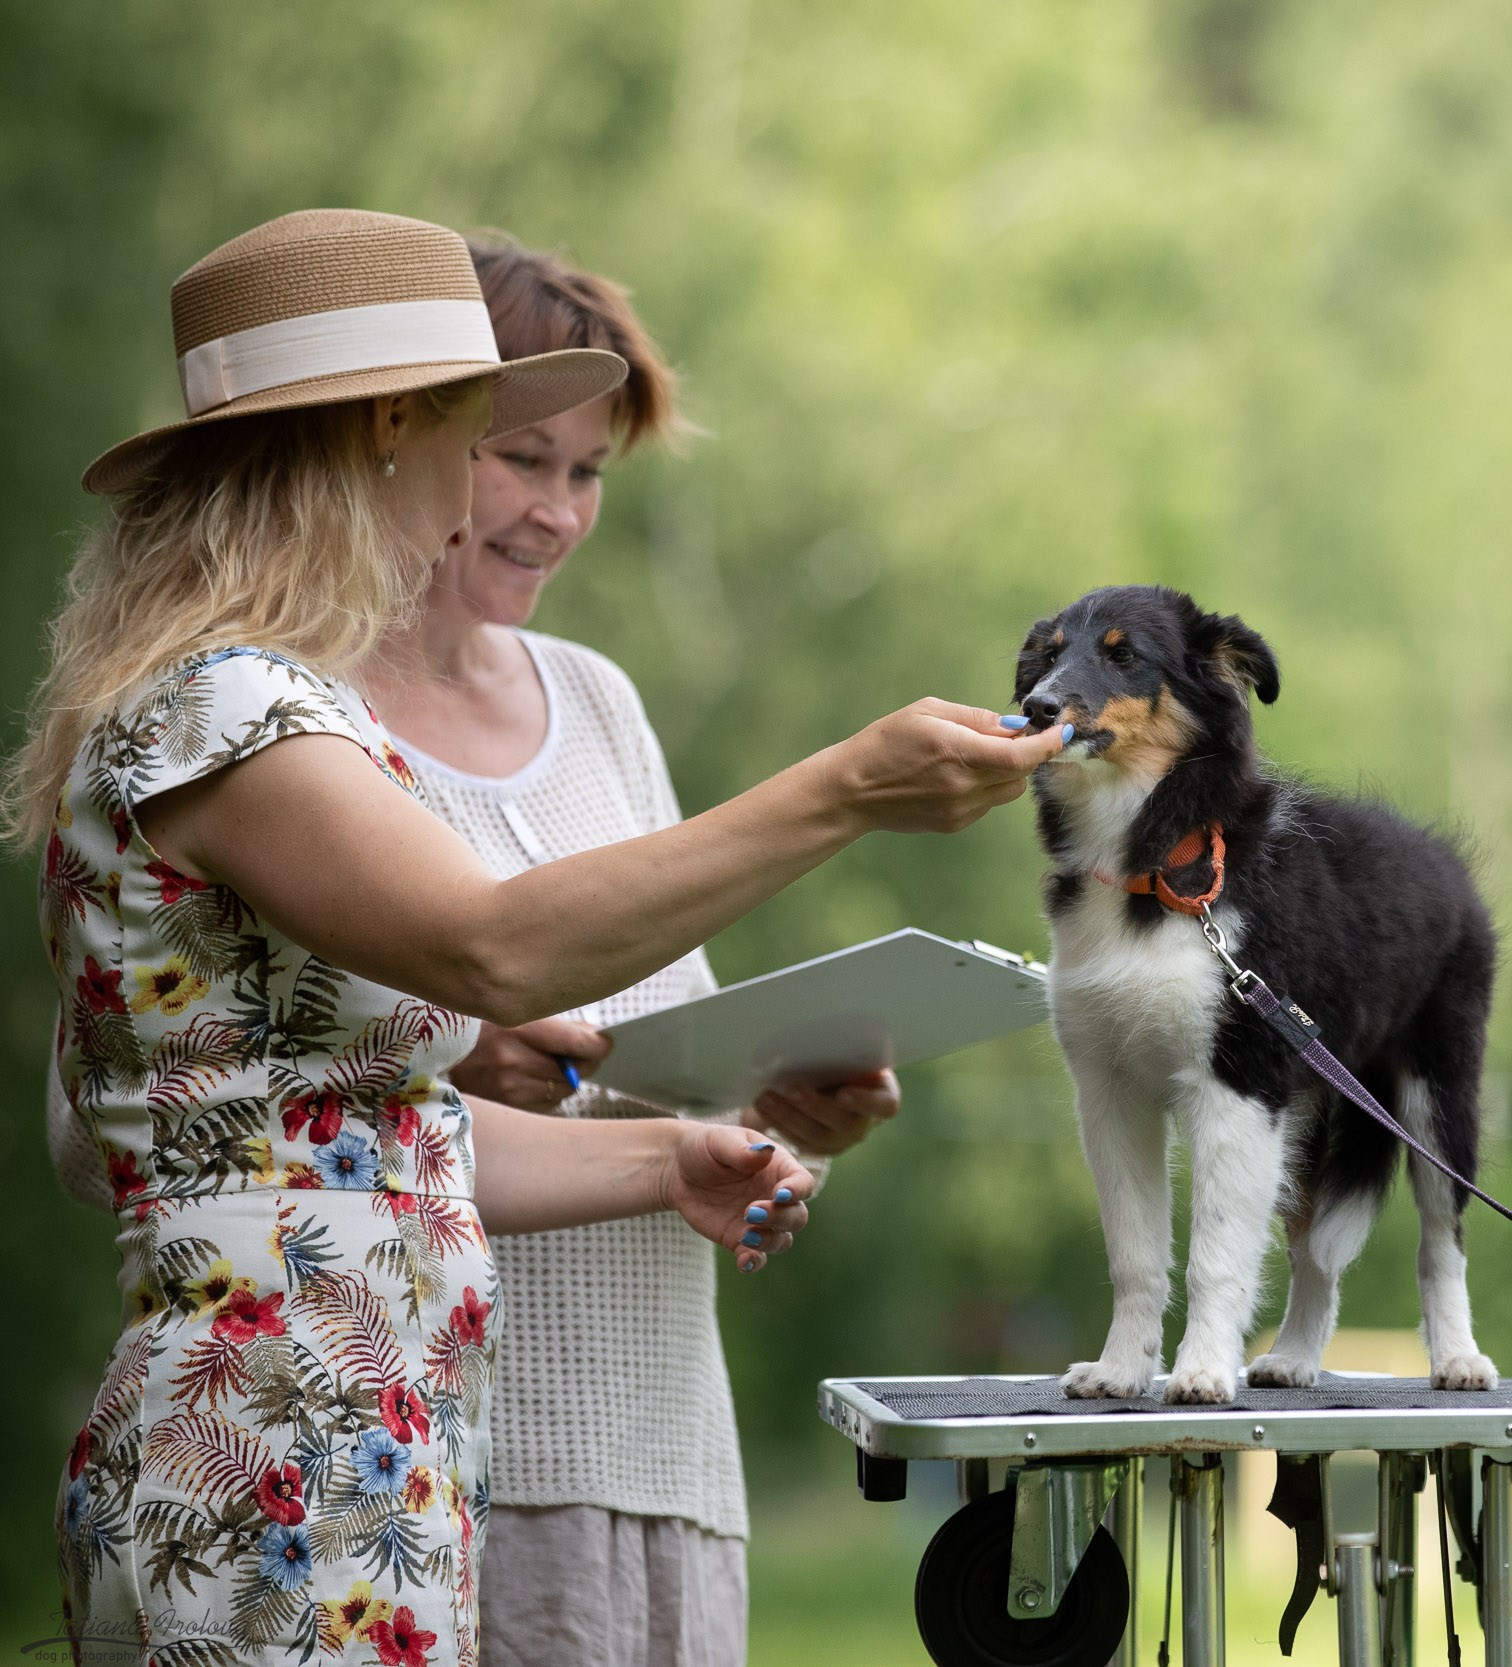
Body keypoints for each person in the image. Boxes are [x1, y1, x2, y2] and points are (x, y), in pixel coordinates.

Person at [18, 209, 1062, 1666]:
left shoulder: (258, 708)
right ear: (384, 436)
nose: (485, 508)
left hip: (355, 1446)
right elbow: (496, 951)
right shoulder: (228, 713)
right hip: (273, 1441)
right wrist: (846, 791)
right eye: (480, 443)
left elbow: (344, 1133)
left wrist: (666, 1154)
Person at [358, 235, 894, 1665]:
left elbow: (673, 1076)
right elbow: (123, 1103)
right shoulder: (285, 719)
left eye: (586, 472)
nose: (557, 513)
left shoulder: (597, 705)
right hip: (431, 1453)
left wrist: (780, 1115)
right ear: (398, 434)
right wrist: (451, 1045)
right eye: (521, 458)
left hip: (660, 1452)